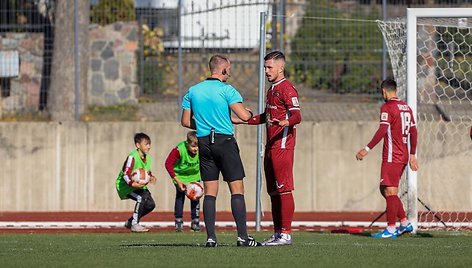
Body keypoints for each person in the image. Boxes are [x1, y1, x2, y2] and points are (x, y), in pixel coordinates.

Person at [181, 54, 261, 247]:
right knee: (237, 189)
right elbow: (244, 115)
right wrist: (248, 113)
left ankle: (210, 238)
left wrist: (206, 123)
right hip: (224, 142)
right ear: (224, 69)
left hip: (204, 142)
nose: (229, 73)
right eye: (229, 69)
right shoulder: (227, 89)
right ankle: (243, 237)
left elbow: (185, 122)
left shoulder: (193, 91)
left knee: (210, 192)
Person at [246, 51, 302, 246]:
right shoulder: (272, 90)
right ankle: (278, 233)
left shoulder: (287, 89)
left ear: (281, 68)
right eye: (265, 67)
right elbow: (266, 116)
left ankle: (286, 234)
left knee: (284, 190)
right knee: (273, 191)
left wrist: (285, 121)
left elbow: (297, 116)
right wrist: (245, 119)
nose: (266, 70)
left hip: (283, 146)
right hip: (271, 146)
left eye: (269, 67)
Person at [356, 79, 419, 238]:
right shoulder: (406, 108)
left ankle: (391, 229)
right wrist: (412, 154)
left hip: (393, 155)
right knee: (384, 189)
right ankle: (405, 223)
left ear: (384, 91)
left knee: (390, 192)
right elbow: (414, 131)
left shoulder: (387, 107)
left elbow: (382, 130)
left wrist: (367, 149)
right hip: (403, 154)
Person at [116, 132, 156, 233]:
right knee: (141, 198)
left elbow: (145, 172)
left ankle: (130, 222)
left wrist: (151, 177)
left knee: (151, 205)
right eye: (146, 144)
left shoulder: (149, 159)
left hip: (138, 186)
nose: (149, 146)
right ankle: (134, 224)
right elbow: (125, 174)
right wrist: (131, 183)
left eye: (149, 144)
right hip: (126, 186)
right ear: (138, 145)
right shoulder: (132, 157)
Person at [165, 130, 201, 232]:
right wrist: (177, 180)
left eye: (197, 146)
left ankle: (195, 221)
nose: (196, 149)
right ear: (187, 143)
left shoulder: (202, 148)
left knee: (195, 197)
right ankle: (178, 221)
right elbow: (168, 164)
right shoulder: (179, 149)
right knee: (180, 196)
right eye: (193, 146)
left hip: (194, 175)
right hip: (180, 176)